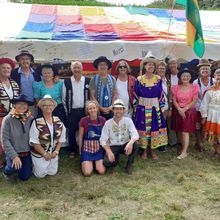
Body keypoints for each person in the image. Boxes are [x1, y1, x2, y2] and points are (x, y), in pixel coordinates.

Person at [133, 56, 167, 159]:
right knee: (143, 128)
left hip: (154, 108)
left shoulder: (158, 79)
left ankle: (153, 151)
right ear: (144, 66)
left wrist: (161, 107)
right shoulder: (139, 79)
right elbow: (135, 94)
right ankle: (143, 151)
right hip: (142, 108)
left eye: (152, 64)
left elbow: (161, 94)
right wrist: (136, 108)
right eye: (149, 64)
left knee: (154, 128)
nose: (151, 66)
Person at [29, 95, 66, 178]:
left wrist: (56, 152)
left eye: (50, 105)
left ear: (53, 107)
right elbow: (34, 142)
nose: (48, 107)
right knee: (40, 175)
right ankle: (33, 164)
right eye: (45, 105)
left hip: (53, 153)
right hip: (40, 153)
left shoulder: (58, 120)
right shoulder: (36, 122)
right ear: (41, 107)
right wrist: (45, 154)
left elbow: (61, 138)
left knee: (53, 172)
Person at [100, 99, 139, 174]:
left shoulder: (128, 120)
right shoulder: (108, 123)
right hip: (113, 146)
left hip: (125, 145)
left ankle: (129, 164)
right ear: (113, 110)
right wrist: (109, 152)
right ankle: (116, 158)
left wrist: (130, 143)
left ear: (123, 110)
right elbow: (102, 140)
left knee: (135, 144)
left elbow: (135, 134)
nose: (118, 111)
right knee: (106, 163)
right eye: (116, 109)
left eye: (120, 109)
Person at [62, 61, 90, 159]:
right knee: (71, 132)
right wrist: (67, 112)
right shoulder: (66, 81)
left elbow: (90, 96)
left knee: (86, 130)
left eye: (79, 67)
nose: (77, 69)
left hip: (84, 111)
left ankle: (85, 148)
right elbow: (64, 98)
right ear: (71, 69)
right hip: (72, 111)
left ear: (82, 69)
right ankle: (73, 150)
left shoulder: (88, 80)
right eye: (75, 68)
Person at [1, 95, 33, 181]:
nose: (22, 106)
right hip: (13, 151)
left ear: (27, 106)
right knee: (12, 168)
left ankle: (21, 166)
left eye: (24, 104)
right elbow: (4, 140)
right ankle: (6, 171)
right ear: (14, 105)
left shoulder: (31, 118)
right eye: (19, 103)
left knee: (24, 177)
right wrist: (14, 156)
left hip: (26, 152)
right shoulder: (7, 119)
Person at [172, 68, 199, 159]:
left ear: (190, 77)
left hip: (189, 111)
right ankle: (183, 148)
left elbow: (194, 100)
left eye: (188, 76)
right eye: (184, 76)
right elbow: (174, 100)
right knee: (180, 131)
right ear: (180, 77)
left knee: (185, 132)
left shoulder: (195, 87)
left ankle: (184, 152)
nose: (186, 77)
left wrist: (184, 109)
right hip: (178, 110)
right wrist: (180, 109)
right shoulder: (176, 87)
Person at [0, 57, 20, 168]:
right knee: (0, 137)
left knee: (10, 137)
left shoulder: (14, 83)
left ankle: (11, 157)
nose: (6, 69)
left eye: (8, 68)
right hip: (0, 116)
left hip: (13, 115)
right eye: (3, 68)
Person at [79, 100, 106, 176]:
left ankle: (95, 163)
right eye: (90, 108)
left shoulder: (102, 120)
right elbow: (80, 137)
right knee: (87, 173)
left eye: (94, 108)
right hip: (87, 149)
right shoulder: (83, 120)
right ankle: (88, 163)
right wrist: (80, 152)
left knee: (101, 171)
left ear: (97, 108)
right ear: (87, 110)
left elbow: (106, 136)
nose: (92, 110)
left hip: (98, 148)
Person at [193, 59, 215, 152]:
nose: (205, 71)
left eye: (207, 69)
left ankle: (208, 143)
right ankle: (198, 143)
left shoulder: (214, 81)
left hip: (211, 108)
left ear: (210, 71)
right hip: (198, 108)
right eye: (203, 69)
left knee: (207, 127)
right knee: (197, 126)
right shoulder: (195, 82)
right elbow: (194, 97)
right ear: (200, 71)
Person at [11, 50, 41, 116]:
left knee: (32, 123)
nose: (25, 61)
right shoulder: (14, 73)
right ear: (19, 61)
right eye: (22, 59)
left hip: (33, 105)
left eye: (27, 59)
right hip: (19, 105)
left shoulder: (36, 73)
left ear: (30, 60)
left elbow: (40, 87)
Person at [200, 69, 220, 159]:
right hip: (213, 116)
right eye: (217, 75)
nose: (219, 77)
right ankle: (216, 152)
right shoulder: (209, 90)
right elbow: (204, 104)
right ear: (214, 77)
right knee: (214, 135)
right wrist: (204, 116)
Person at [166, 58, 180, 148]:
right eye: (170, 64)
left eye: (174, 63)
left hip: (181, 103)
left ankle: (179, 140)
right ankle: (173, 142)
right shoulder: (167, 77)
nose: (172, 65)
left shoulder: (182, 75)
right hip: (170, 102)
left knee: (179, 122)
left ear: (178, 64)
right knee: (170, 122)